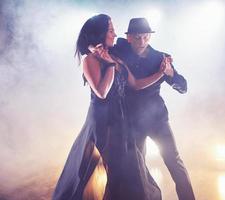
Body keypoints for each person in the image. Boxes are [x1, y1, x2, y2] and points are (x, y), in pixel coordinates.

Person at [52, 14, 170, 200]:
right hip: (103, 122)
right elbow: (102, 92)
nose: (115, 34)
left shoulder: (116, 56)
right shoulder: (90, 60)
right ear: (99, 34)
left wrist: (161, 73)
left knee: (129, 170)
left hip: (121, 119)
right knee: (100, 169)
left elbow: (136, 84)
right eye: (111, 30)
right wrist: (108, 65)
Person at [111, 18, 196, 200]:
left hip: (157, 119)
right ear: (129, 38)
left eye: (145, 37)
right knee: (137, 166)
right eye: (137, 37)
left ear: (149, 36)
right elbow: (109, 45)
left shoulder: (161, 58)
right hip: (132, 120)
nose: (142, 41)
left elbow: (183, 87)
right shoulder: (120, 51)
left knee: (173, 161)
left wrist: (170, 73)